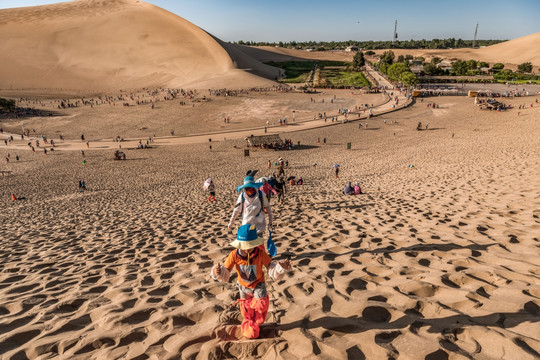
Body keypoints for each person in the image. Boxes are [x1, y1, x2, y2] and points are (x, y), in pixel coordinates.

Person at [210, 224, 292, 339]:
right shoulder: (234, 255)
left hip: (259, 285)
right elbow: (226, 270)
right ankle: (249, 325)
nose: (247, 249)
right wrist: (217, 271)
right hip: (243, 287)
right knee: (246, 312)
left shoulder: (260, 253)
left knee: (260, 308)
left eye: (250, 245)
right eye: (244, 246)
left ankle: (257, 323)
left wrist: (280, 267)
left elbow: (270, 267)